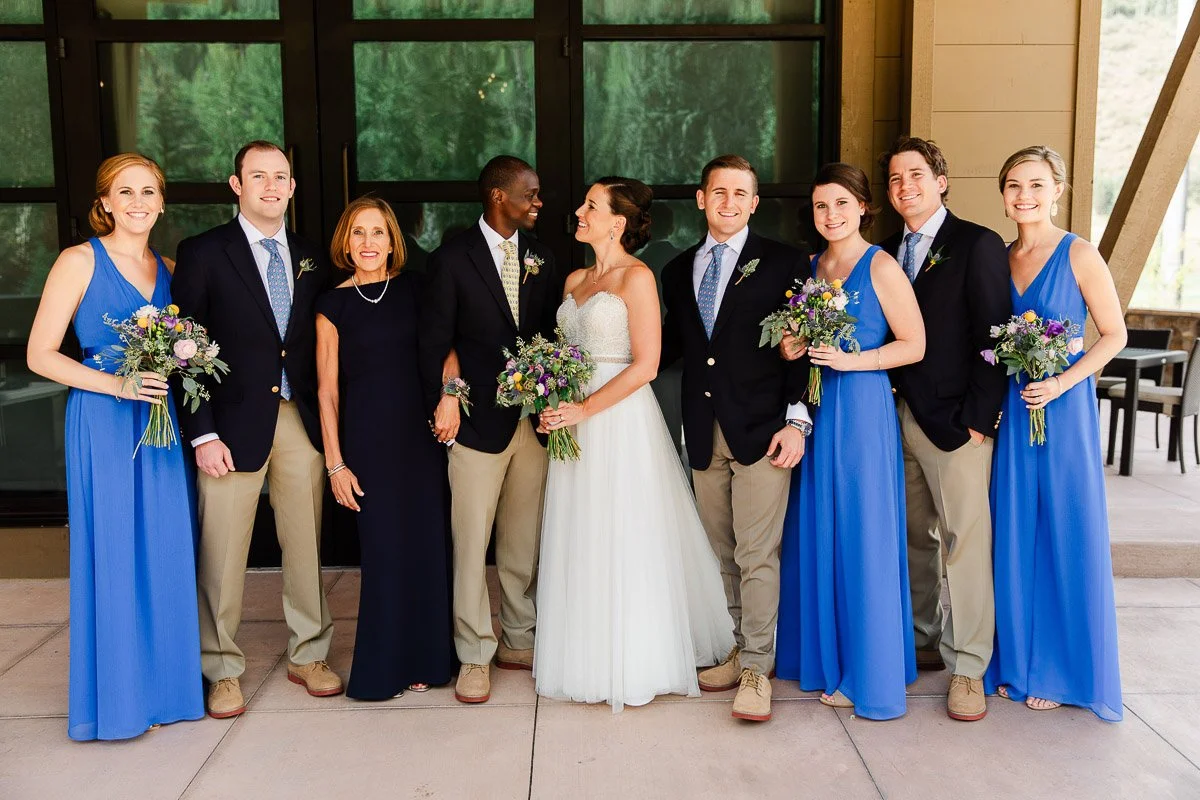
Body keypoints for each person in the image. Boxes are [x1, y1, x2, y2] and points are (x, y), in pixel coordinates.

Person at [533, 178, 734, 711]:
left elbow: (646, 365)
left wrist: (584, 408)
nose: (579, 211)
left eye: (590, 206)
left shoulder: (638, 278)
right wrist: (552, 398)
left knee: (624, 533)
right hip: (572, 421)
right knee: (581, 533)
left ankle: (636, 656)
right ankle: (584, 652)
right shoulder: (574, 278)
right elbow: (562, 355)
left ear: (618, 222)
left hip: (618, 421)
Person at [26, 153, 204, 740]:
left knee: (165, 548)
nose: (137, 202)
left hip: (160, 425)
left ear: (161, 202)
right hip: (104, 421)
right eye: (124, 192)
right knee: (115, 552)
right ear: (104, 202)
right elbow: (40, 355)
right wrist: (118, 384)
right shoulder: (78, 261)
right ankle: (119, 702)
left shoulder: (172, 267)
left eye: (148, 191)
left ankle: (169, 693)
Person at [172, 140, 340, 718]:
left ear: (293, 187)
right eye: (259, 176)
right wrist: (201, 432)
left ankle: (309, 653)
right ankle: (220, 667)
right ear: (235, 184)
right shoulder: (202, 252)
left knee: (306, 541)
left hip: (298, 420)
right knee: (223, 550)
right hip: (228, 424)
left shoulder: (312, 256)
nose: (272, 186)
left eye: (282, 177)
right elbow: (183, 349)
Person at [659, 154, 812, 722]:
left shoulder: (785, 262)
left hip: (763, 430)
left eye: (739, 194)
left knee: (757, 553)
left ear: (753, 203)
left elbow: (801, 348)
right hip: (701, 430)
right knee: (719, 552)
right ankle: (730, 648)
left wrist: (797, 419)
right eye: (717, 192)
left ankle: (757, 666)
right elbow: (674, 347)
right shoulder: (677, 271)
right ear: (702, 199)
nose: (728, 202)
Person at [776, 163, 924, 719]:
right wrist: (793, 346)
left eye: (841, 204)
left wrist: (852, 360)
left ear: (863, 206)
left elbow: (914, 344)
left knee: (861, 534)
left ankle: (869, 670)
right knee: (819, 529)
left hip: (861, 412)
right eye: (820, 206)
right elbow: (795, 339)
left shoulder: (880, 265)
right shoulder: (810, 267)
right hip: (814, 411)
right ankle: (823, 656)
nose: (831, 215)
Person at [986, 146, 1125, 720]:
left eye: (1036, 185)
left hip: (1061, 414)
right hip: (1015, 412)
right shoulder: (1001, 257)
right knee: (1014, 532)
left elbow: (1113, 335)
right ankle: (1016, 663)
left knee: (1064, 533)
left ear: (1058, 189)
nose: (1025, 196)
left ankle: (1062, 671)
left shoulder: (1080, 253)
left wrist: (1062, 383)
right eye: (1014, 185)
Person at [877, 136, 1012, 721]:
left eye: (915, 176)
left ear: (942, 180)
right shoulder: (883, 251)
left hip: (957, 423)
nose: (905, 187)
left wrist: (979, 423)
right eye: (894, 179)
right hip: (893, 419)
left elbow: (993, 337)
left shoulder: (977, 244)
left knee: (964, 541)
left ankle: (970, 666)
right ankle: (924, 640)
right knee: (914, 540)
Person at [419, 155, 562, 704]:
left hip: (533, 422)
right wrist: (447, 397)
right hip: (476, 422)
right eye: (530, 193)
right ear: (500, 196)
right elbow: (434, 341)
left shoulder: (544, 258)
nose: (538, 202)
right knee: (471, 541)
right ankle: (474, 651)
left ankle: (518, 639)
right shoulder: (451, 259)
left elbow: (549, 333)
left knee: (522, 540)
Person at [315, 197, 455, 700]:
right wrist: (336, 463)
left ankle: (431, 660)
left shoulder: (417, 289)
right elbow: (327, 392)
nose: (368, 243)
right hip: (367, 442)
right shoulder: (332, 305)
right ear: (344, 242)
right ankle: (385, 666)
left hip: (420, 436)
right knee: (383, 552)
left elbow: (448, 349)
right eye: (358, 233)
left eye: (378, 232)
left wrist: (451, 397)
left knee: (427, 547)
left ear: (394, 239)